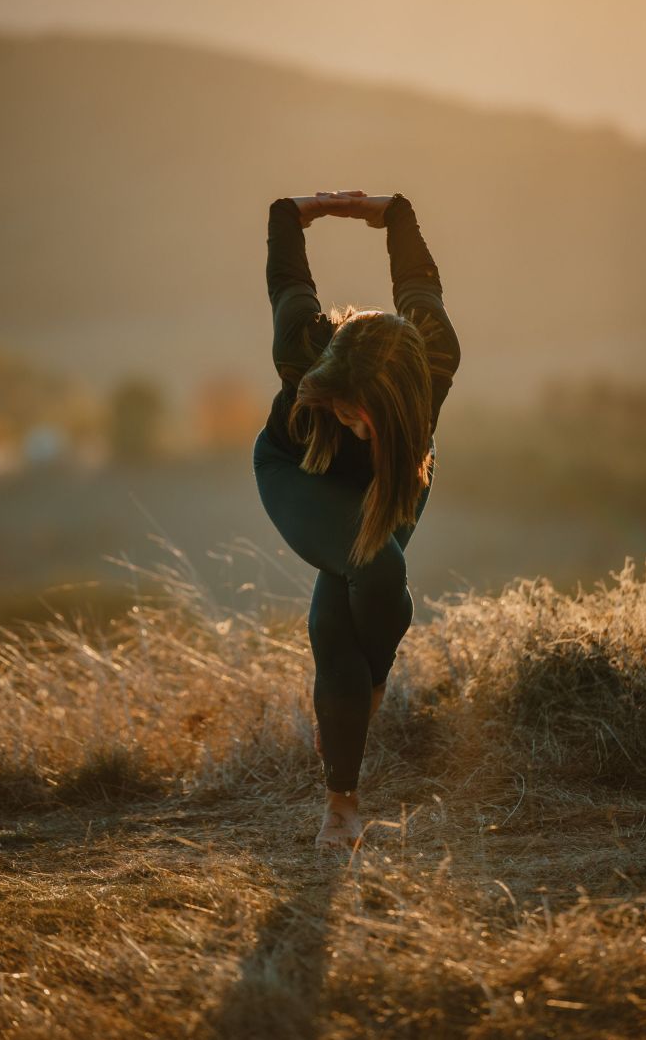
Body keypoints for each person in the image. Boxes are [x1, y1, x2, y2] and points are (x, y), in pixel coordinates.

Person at [252, 188, 461, 850]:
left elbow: (418, 282)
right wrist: (292, 212)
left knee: (354, 600)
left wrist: (394, 212)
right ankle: (341, 800)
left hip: (396, 477)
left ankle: (364, 690)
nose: (349, 420)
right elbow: (289, 282)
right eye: (340, 408)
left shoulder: (432, 358)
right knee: (361, 580)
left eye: (359, 413)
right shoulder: (303, 351)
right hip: (299, 473)